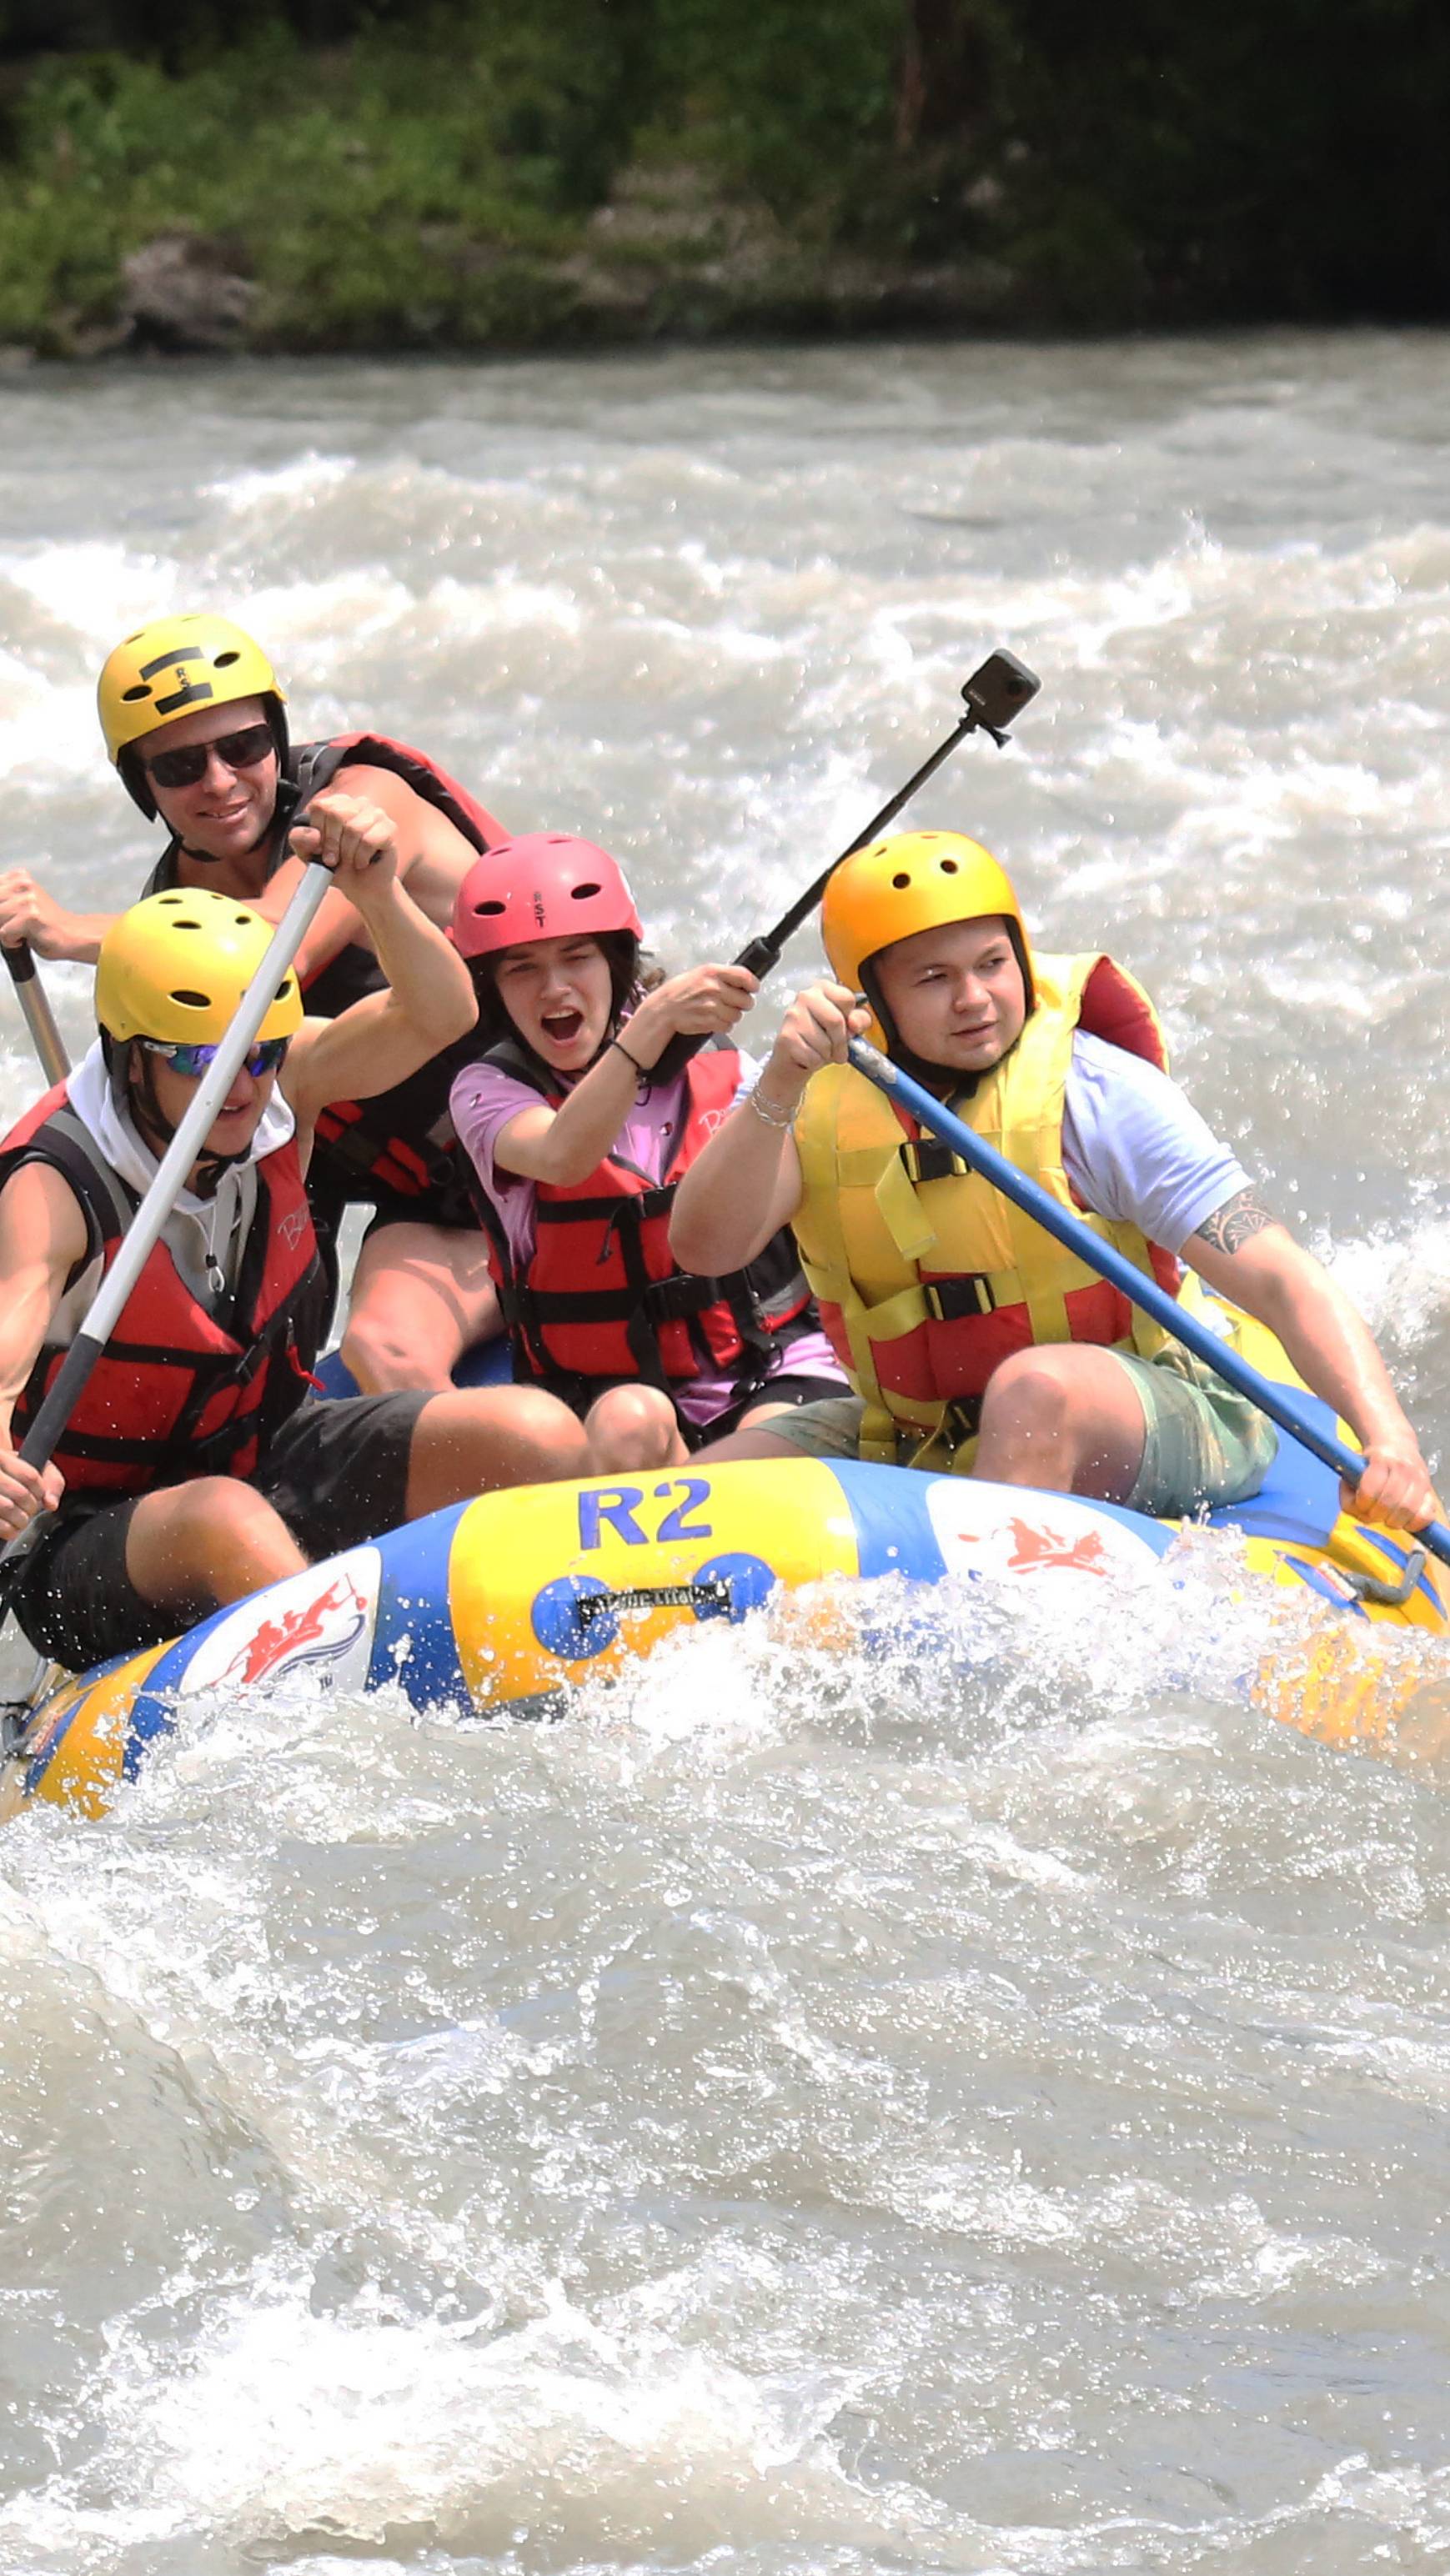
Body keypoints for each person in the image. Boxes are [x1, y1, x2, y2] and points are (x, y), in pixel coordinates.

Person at [667, 829, 1441, 1534]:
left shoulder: (1095, 1093)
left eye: (992, 965)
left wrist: (1390, 1442)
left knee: (1034, 1392)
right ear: (873, 1002)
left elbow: (1280, 1279)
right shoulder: (805, 1097)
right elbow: (704, 1249)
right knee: (696, 1502)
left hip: (1149, 1408)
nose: (974, 999)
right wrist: (774, 1087)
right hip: (909, 1426)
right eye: (934, 978)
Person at [0, 795, 586, 1677]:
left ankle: (549, 1654)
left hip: (265, 1448)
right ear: (129, 1053)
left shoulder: (282, 1082)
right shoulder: (52, 1181)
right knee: (220, 1520)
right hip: (95, 1538)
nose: (237, 1088)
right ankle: (370, 1692)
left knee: (535, 1434)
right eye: (199, 1062)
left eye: (258, 1053)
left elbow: (439, 1016)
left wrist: (380, 894)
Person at [0, 614, 504, 1394]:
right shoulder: (173, 910)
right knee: (378, 1353)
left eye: (242, 747)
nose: (220, 781)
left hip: (582, 1117)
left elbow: (275, 950)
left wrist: (71, 934)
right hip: (439, 1199)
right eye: (178, 766)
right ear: (142, 786)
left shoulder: (363, 804)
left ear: (276, 737)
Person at [446, 832, 849, 1473]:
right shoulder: (487, 1091)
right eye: (522, 968)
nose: (554, 989)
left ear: (615, 962)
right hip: (603, 1393)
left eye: (576, 957)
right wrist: (652, 1025)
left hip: (770, 1367)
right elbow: (561, 1156)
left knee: (771, 1450)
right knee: (631, 1417)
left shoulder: (726, 1066)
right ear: (491, 988)